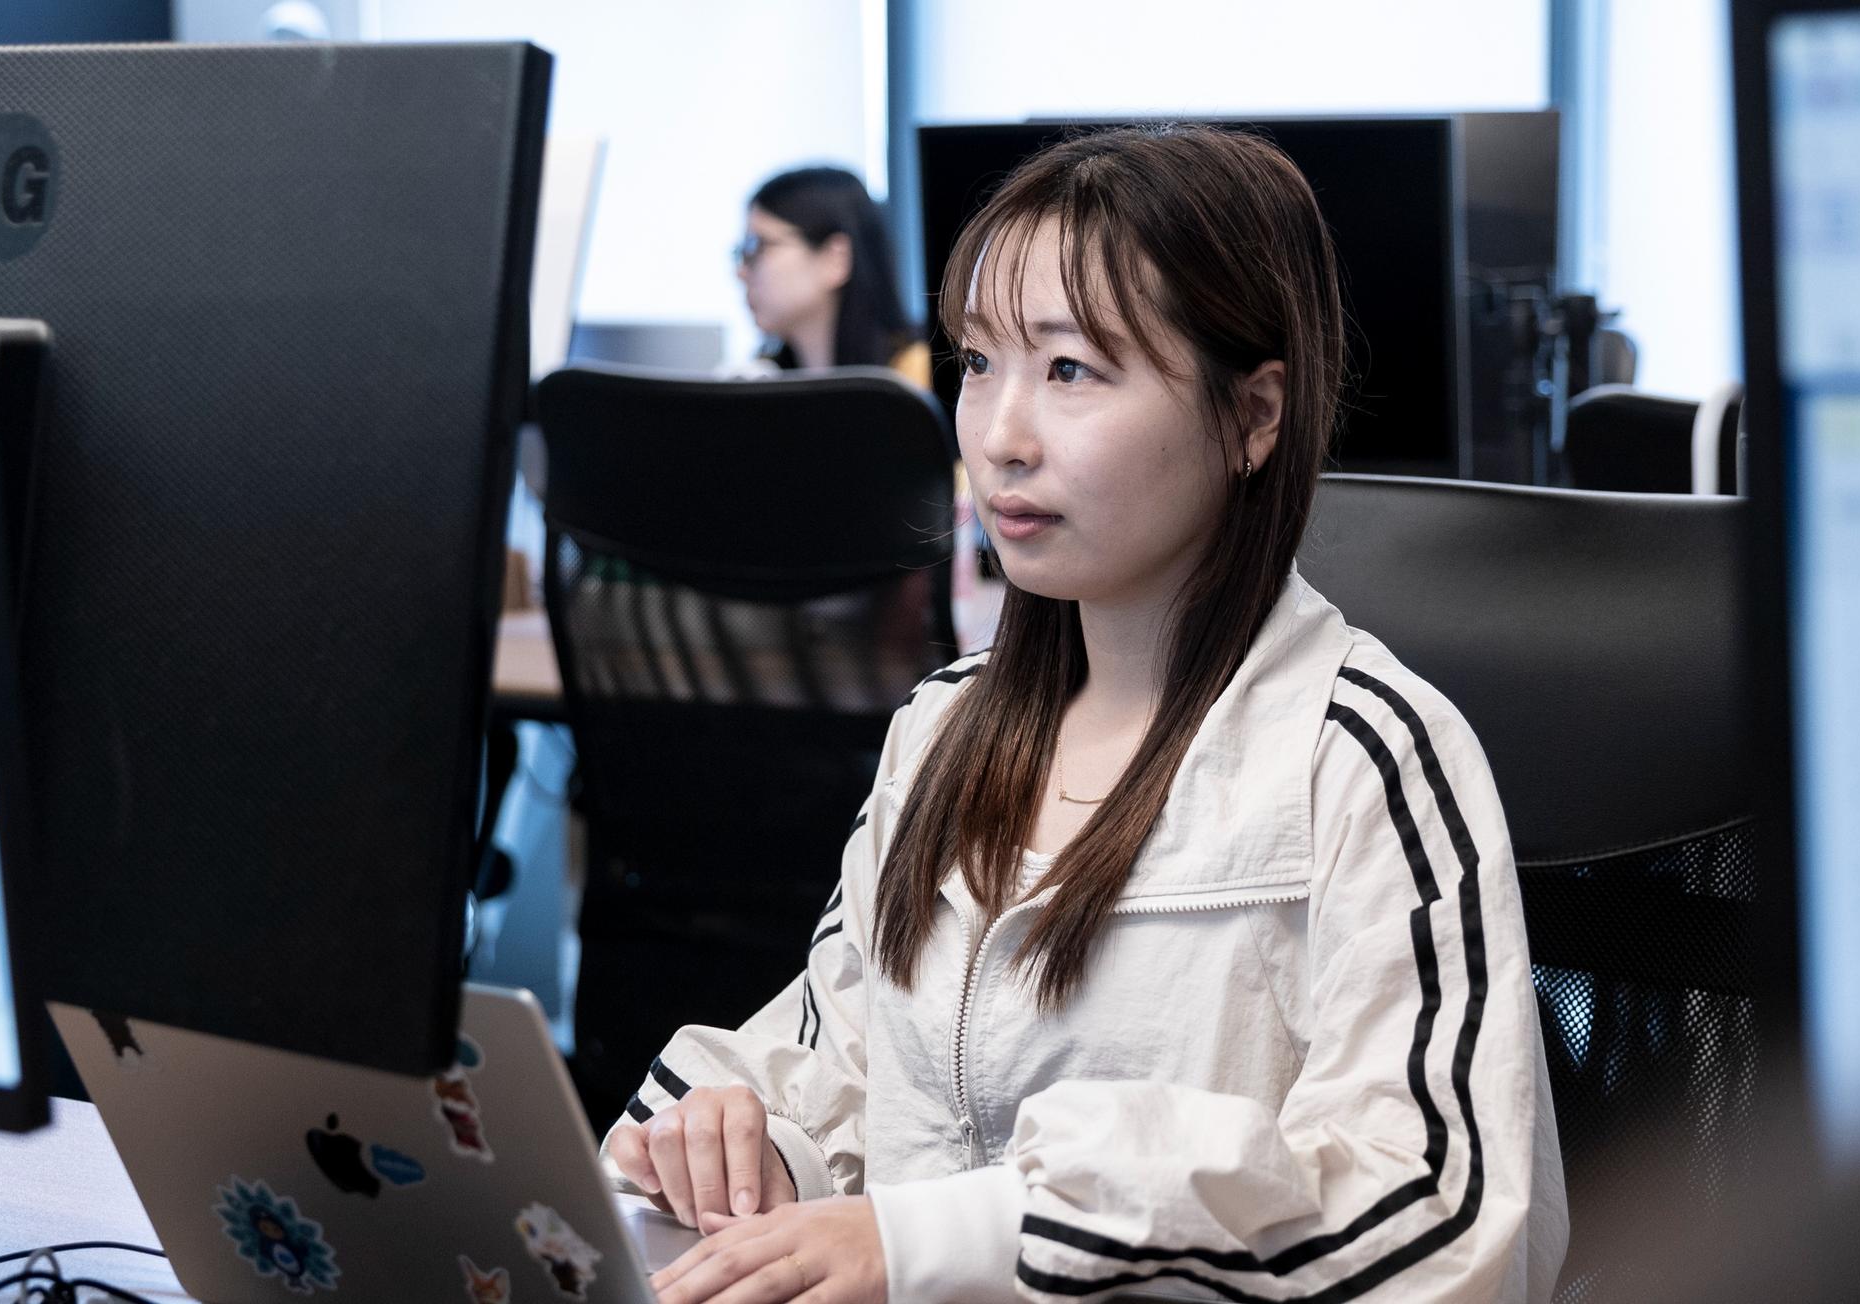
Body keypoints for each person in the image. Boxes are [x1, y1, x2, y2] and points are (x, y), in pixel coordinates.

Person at [606, 125, 1568, 1303]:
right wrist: (753, 1143)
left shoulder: (1360, 755)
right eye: (977, 361)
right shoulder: (942, 731)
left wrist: (954, 1235)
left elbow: (1439, 1224)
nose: (999, 436)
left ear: (1253, 414)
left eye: (1069, 369)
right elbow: (846, 1064)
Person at [733, 166, 931, 389]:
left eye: (757, 247)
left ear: (836, 259)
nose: (741, 272)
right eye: (741, 252)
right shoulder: (761, 382)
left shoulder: (921, 375)